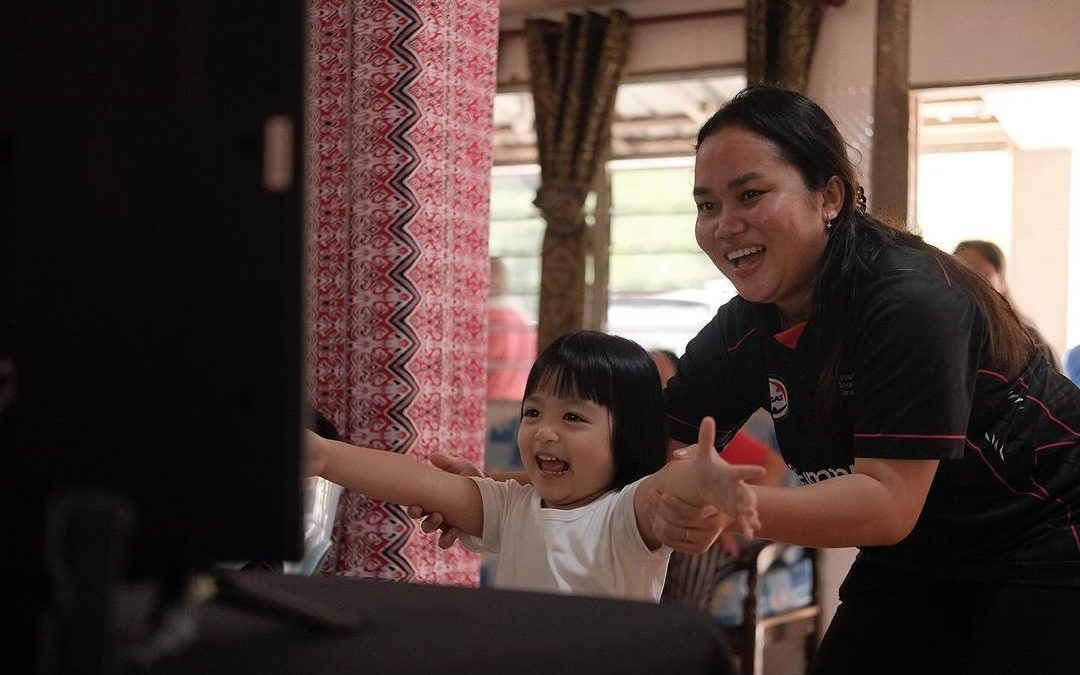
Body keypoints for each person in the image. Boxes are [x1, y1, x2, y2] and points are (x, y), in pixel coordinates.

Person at [416, 87, 1080, 674]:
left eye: (750, 194)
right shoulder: (742, 330)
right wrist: (502, 489)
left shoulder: (910, 301)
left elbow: (885, 502)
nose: (724, 224)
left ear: (829, 196)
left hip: (1045, 533)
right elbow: (641, 449)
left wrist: (718, 499)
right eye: (707, 203)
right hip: (917, 555)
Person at [307, 330, 764, 602]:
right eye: (533, 412)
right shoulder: (513, 506)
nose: (545, 431)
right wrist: (325, 456)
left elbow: (665, 487)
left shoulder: (624, 515)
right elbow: (422, 482)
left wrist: (701, 480)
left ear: (627, 434)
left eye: (572, 417)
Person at [953, 239, 1062, 373]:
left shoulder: (1027, 339)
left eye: (980, 276)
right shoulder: (946, 331)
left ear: (1002, 280)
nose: (971, 285)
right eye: (960, 276)